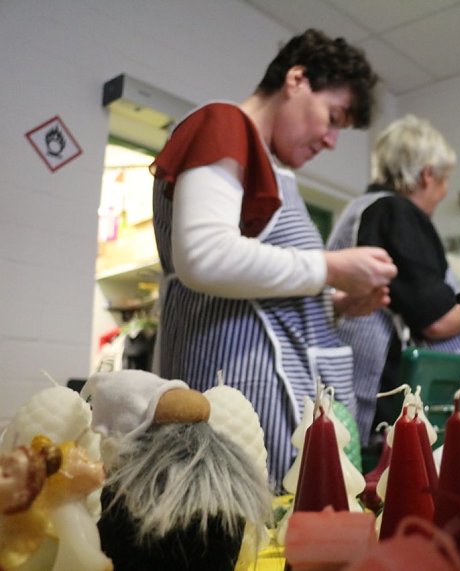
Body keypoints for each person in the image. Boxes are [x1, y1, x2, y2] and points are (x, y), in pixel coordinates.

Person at [150, 29, 397, 491]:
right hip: (240, 394)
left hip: (280, 400)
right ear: (296, 79)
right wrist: (331, 267)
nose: (331, 141)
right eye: (333, 117)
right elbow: (204, 258)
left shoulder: (267, 165)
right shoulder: (222, 123)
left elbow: (263, 292)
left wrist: (337, 303)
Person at [327, 114, 460, 449]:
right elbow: (437, 320)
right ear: (427, 174)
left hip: (355, 391)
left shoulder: (358, 211)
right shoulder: (398, 213)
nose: (444, 192)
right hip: (390, 402)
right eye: (445, 180)